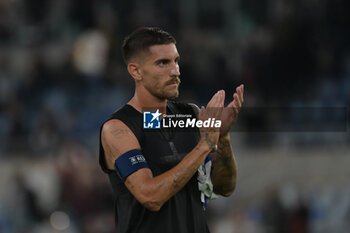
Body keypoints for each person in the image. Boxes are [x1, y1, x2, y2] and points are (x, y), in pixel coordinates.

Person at [99, 27, 244, 233]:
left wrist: (223, 138)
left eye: (176, 61)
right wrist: (204, 145)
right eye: (162, 63)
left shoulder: (188, 117)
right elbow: (150, 197)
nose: (175, 71)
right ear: (136, 71)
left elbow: (224, 187)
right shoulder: (118, 128)